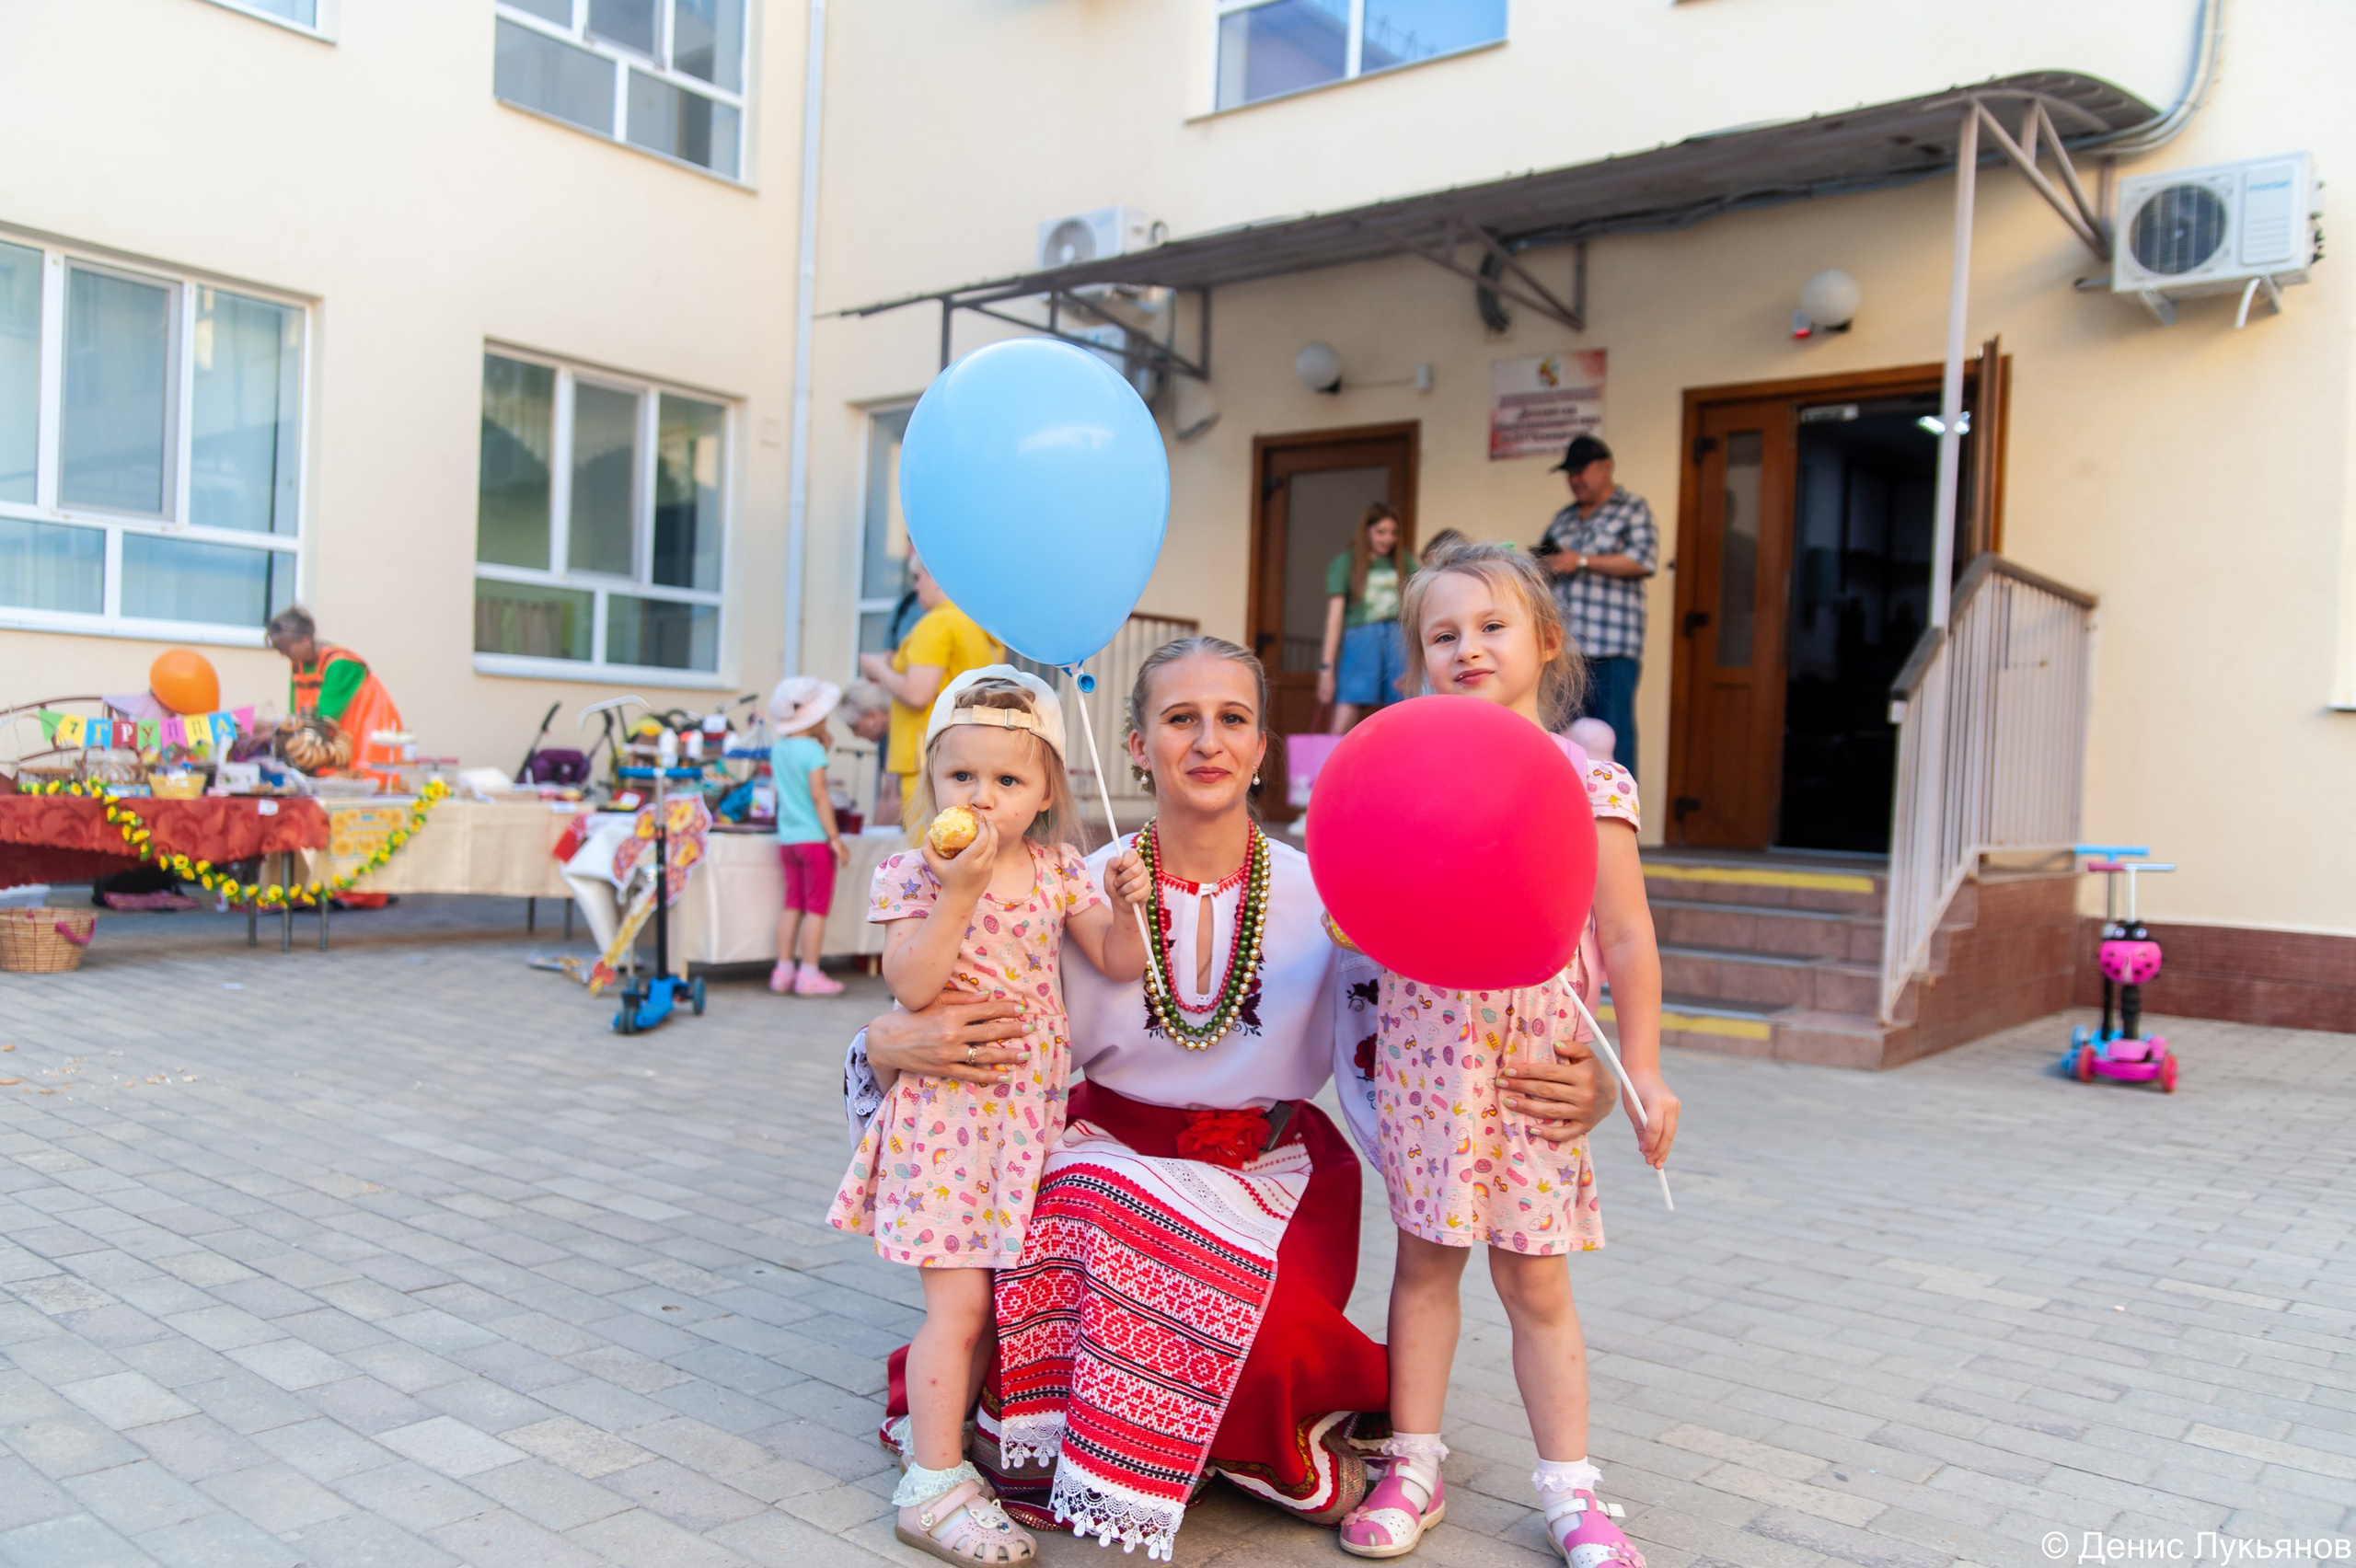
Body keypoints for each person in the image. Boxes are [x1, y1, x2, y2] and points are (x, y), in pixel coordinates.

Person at [847, 639, 1620, 1557]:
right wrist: (881, 1043)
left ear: (1262, 747)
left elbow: (1439, 1011)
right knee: (1058, 1268)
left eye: (1232, 720)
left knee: (1262, 1343)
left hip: (1271, 1165)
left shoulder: (1331, 887)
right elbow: (948, 984)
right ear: (1136, 743)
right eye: (1179, 719)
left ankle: (1206, 1439)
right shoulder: (1068, 880)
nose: (1206, 742)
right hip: (1100, 1153)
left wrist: (1597, 1071)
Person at [1335, 543, 1677, 1565]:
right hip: (1427, 1062)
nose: (1467, 648)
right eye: (1443, 634)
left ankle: (1571, 1494)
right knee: (1424, 1266)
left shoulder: (1590, 782)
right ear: (1418, 660)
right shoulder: (1403, 771)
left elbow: (1625, 938)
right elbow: (1359, 907)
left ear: (1547, 641)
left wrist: (1642, 1070)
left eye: (1491, 626)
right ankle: (1412, 1462)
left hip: (1534, 1069)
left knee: (1535, 1283)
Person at [828, 668, 1148, 1568]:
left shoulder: (1055, 870)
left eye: (1007, 782)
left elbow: (1118, 963)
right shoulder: (911, 873)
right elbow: (912, 986)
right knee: (960, 1304)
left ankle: (944, 1441)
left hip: (1026, 1124)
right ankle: (930, 1488)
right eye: (962, 777)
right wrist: (957, 891)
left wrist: (1126, 902)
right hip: (944, 1123)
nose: (983, 797)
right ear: (933, 782)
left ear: (1047, 790)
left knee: (993, 1307)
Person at [1537, 435, 1657, 775]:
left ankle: (1619, 826)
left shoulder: (1633, 509)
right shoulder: (1562, 519)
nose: (1574, 479)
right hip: (1567, 652)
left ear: (1605, 466)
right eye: (1569, 473)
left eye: (1581, 470)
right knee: (1564, 742)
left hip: (1613, 651)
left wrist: (1583, 561)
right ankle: (1569, 822)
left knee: (1613, 742)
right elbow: (1551, 566)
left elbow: (1642, 560)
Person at [860, 554, 1000, 819]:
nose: (915, 587)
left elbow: (917, 693)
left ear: (937, 578)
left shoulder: (936, 624)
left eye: (918, 577)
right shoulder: (978, 627)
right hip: (968, 754)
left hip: (928, 760)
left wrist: (879, 669)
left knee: (930, 851)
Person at [766, 677, 849, 997]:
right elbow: (819, 796)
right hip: (814, 839)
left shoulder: (780, 748)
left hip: (788, 839)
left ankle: (783, 969)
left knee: (792, 904)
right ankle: (810, 972)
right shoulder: (813, 751)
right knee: (816, 908)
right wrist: (834, 837)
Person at [265, 606, 402, 774]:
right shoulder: (298, 664)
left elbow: (323, 718)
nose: (283, 654)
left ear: (305, 640)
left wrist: (274, 729)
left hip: (365, 748)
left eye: (286, 649)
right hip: (333, 750)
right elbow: (297, 716)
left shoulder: (340, 664)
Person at [1317, 503, 1415, 732]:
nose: (1388, 538)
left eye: (1393, 532)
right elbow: (1334, 619)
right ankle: (1332, 765)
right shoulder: (1345, 563)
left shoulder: (1406, 561)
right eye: (1381, 531)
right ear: (1367, 531)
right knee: (1347, 707)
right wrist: (1326, 669)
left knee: (1404, 711)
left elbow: (1423, 608)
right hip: (1361, 640)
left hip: (1398, 640)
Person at [837, 679, 895, 826]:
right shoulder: (887, 740)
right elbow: (885, 795)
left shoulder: (897, 740)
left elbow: (895, 798)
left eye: (854, 727)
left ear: (872, 717)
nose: (855, 735)